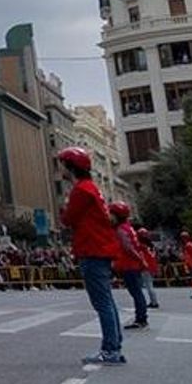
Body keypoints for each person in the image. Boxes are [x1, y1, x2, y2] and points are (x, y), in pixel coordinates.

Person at [57, 147, 124, 365]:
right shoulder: (92, 188)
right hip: (100, 248)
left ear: (70, 167)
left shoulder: (81, 191)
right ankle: (114, 345)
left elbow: (67, 219)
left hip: (91, 249)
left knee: (102, 302)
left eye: (63, 165)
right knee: (107, 301)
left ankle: (110, 349)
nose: (60, 169)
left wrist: (63, 209)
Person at [109, 203, 149, 330]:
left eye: (112, 214)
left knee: (136, 293)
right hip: (132, 264)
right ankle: (141, 317)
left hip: (129, 265)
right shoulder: (128, 228)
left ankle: (141, 318)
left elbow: (128, 247)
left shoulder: (121, 230)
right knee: (137, 292)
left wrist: (139, 259)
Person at [134, 228, 161, 308]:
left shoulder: (141, 246)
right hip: (152, 266)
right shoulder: (151, 246)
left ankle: (154, 302)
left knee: (149, 286)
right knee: (150, 284)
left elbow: (141, 256)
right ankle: (153, 301)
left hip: (146, 267)